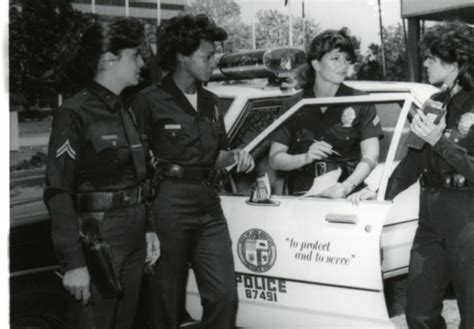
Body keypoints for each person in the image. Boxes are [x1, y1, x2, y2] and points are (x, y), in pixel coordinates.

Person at [132, 14, 255, 329]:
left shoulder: (212, 102)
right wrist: (147, 222)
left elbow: (216, 155)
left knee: (224, 295)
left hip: (207, 203)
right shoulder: (148, 101)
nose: (212, 61)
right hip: (167, 202)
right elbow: (137, 167)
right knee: (165, 300)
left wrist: (236, 156)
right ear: (182, 56)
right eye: (207, 55)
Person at [44, 17, 160, 329]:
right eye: (134, 55)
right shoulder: (75, 112)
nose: (141, 63)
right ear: (109, 60)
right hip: (100, 236)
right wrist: (73, 263)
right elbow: (58, 190)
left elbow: (140, 176)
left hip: (133, 231)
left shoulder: (127, 109)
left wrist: (148, 227)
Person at [383, 20, 474, 328]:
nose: (423, 63)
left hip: (468, 217)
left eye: (430, 57)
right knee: (419, 314)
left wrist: (441, 142)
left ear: (452, 61)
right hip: (430, 217)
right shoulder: (435, 102)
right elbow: (413, 161)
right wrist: (381, 195)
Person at [269, 28, 383, 197]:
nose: (343, 65)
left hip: (346, 192)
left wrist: (346, 187)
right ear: (316, 64)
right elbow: (275, 158)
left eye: (347, 59)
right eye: (335, 58)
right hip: (303, 195)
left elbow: (371, 155)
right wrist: (305, 158)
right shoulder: (293, 104)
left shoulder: (360, 101)